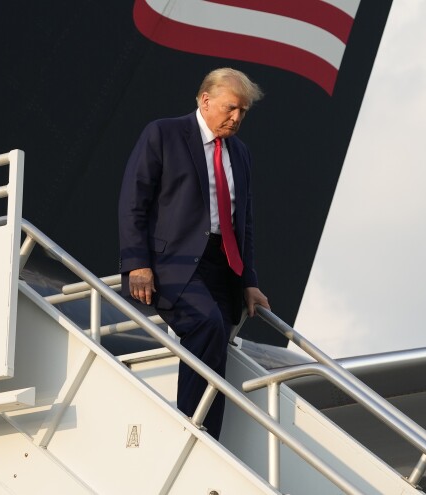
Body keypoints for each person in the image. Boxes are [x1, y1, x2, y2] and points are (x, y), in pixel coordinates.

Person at [118, 68, 270, 439]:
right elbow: (133, 200)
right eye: (231, 108)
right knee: (206, 325)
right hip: (175, 264)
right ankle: (190, 428)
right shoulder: (164, 134)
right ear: (205, 100)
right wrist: (137, 261)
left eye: (243, 112)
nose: (236, 118)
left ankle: (208, 436)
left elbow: (244, 222)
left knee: (217, 344)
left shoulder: (241, 153)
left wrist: (249, 280)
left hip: (223, 265)